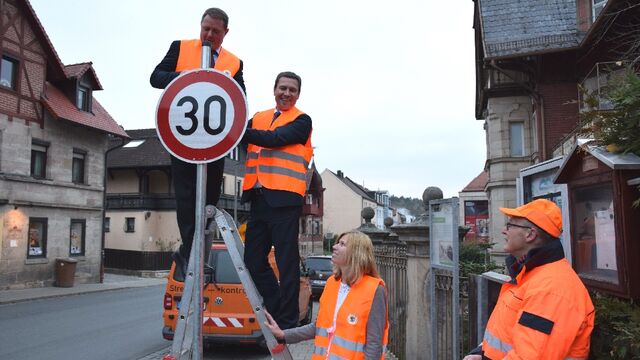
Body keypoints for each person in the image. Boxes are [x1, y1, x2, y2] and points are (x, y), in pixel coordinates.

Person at [150, 8, 245, 274]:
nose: (209, 35)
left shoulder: (234, 62)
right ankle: (191, 253)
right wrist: (184, 77)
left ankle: (190, 251)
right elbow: (155, 78)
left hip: (215, 139)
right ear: (200, 26)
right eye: (206, 28)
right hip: (183, 135)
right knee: (187, 195)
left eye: (215, 31)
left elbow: (241, 99)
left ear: (225, 33)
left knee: (210, 199)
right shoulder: (180, 48)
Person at [464, 199, 595, 360]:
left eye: (510, 225)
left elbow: (530, 356)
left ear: (530, 234)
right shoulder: (531, 276)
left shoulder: (552, 289)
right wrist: (481, 354)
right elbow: (507, 336)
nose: (504, 231)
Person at [241, 71, 312, 330]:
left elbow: (275, 139)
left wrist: (241, 131)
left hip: (285, 200)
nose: (287, 93)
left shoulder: (302, 120)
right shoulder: (257, 118)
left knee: (286, 261)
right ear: (274, 90)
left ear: (298, 94)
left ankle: (288, 320)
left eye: (292, 90)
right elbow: (238, 139)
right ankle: (275, 307)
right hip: (257, 198)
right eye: (283, 88)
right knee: (253, 261)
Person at [265, 231, 389, 359]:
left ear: (357, 253)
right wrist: (283, 335)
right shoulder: (331, 283)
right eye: (337, 243)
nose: (334, 247)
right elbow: (319, 326)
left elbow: (374, 344)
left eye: (342, 244)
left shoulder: (374, 289)